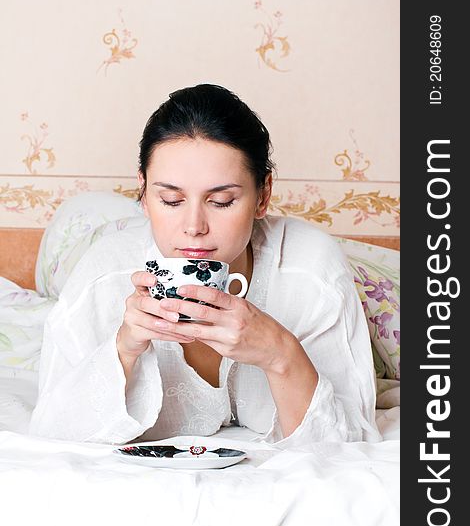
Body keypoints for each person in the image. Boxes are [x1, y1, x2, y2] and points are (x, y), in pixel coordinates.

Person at [29, 83, 381, 446]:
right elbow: (49, 434)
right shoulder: (104, 274)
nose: (194, 227)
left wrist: (280, 353)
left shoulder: (310, 269)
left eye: (222, 201)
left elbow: (350, 444)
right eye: (170, 199)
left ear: (263, 196)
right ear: (145, 195)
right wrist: (125, 348)